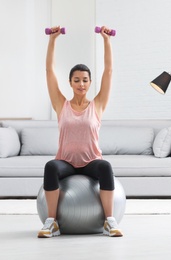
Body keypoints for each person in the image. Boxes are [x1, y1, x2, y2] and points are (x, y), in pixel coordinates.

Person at [37, 25, 122, 238]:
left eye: (85, 80)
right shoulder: (61, 104)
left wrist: (106, 40)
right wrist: (52, 40)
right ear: (70, 83)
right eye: (77, 80)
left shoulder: (98, 105)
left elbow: (109, 71)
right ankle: (51, 222)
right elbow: (49, 72)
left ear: (90, 82)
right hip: (66, 162)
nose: (81, 84)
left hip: (91, 162)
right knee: (50, 167)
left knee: (106, 166)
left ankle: (109, 221)